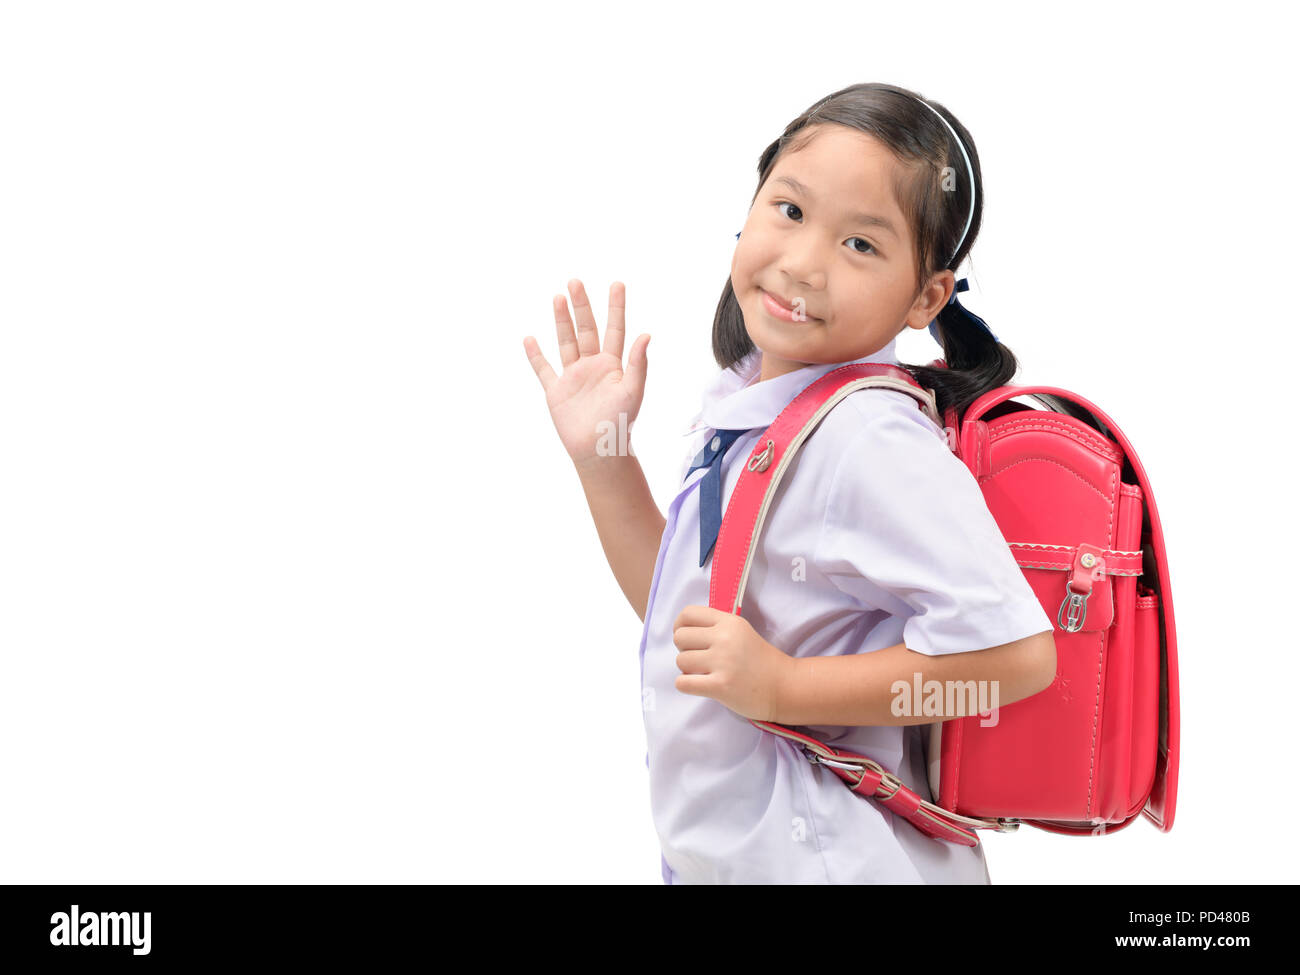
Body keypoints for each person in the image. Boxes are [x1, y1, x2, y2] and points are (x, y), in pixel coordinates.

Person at [523, 82, 1056, 884]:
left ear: (926, 297)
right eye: (791, 211)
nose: (804, 263)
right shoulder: (753, 409)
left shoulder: (866, 438)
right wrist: (605, 461)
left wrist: (786, 682)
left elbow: (1016, 655)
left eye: (862, 245)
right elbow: (692, 624)